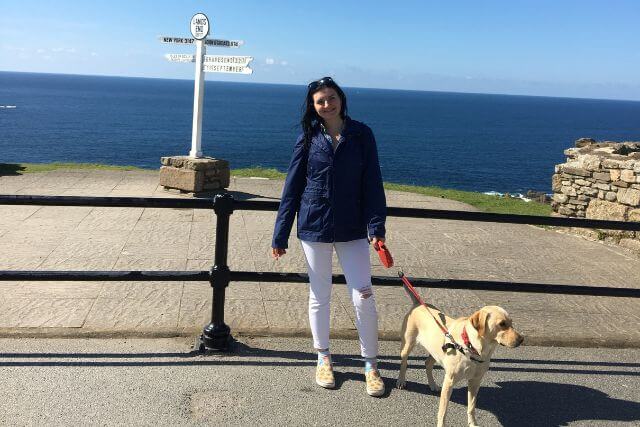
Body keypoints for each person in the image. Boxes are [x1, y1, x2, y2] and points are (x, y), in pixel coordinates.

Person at [271, 76, 387, 397]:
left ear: (341, 98)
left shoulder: (362, 135)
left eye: (331, 98)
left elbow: (373, 186)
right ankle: (323, 358)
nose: (327, 104)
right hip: (314, 226)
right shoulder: (307, 139)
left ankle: (371, 365)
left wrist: (376, 229)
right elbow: (292, 188)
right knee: (319, 296)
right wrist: (280, 235)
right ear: (313, 106)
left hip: (352, 229)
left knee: (363, 294)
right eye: (320, 101)